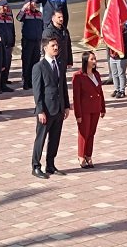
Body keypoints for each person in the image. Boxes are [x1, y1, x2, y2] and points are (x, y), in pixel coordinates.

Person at [31, 37, 71, 179]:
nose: (56, 48)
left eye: (57, 45)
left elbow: (63, 87)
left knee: (55, 138)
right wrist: (40, 110)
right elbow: (37, 91)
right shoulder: (39, 67)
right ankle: (36, 166)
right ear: (45, 48)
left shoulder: (59, 64)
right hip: (46, 110)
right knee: (40, 139)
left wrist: (66, 105)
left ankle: (50, 165)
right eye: (53, 45)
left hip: (58, 108)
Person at [72, 51, 105, 169]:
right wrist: (78, 114)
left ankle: (88, 154)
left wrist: (103, 107)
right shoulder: (78, 76)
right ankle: (81, 155)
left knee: (91, 132)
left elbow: (100, 92)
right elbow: (76, 97)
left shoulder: (97, 75)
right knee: (83, 133)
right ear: (86, 61)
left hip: (95, 108)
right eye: (92, 59)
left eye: (95, 59)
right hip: (84, 109)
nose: (95, 61)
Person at [17, 0, 43, 90]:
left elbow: (42, 27)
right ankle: (25, 81)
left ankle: (33, 81)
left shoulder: (39, 14)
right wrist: (24, 8)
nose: (34, 4)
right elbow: (18, 18)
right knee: (27, 62)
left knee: (35, 62)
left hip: (37, 41)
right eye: (32, 3)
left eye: (35, 3)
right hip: (28, 42)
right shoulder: (25, 14)